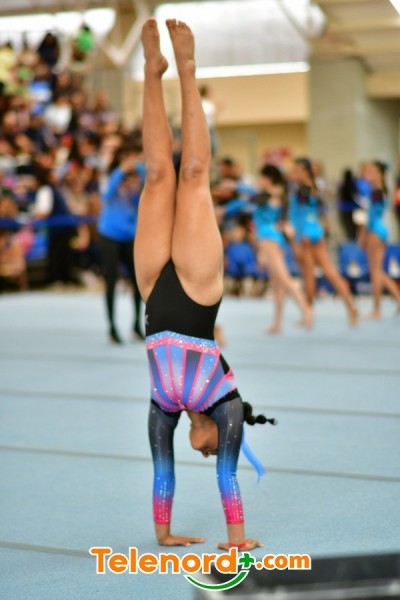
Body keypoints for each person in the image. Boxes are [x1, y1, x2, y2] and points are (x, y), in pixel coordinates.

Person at [135, 18, 273, 550]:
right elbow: (228, 476)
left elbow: (161, 469)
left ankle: (153, 71)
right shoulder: (226, 404)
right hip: (195, 289)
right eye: (216, 447)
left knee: (156, 174)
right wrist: (237, 539)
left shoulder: (164, 408)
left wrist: (163, 534)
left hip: (153, 288)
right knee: (192, 175)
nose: (211, 452)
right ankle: (188, 69)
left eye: (212, 449)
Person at [290, 158, 358, 325]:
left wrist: (300, 236)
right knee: (328, 272)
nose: (294, 173)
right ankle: (350, 306)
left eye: (297, 171)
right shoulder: (311, 187)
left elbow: (302, 215)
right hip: (314, 231)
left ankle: (309, 314)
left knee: (310, 275)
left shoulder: (304, 189)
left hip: (306, 233)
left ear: (306, 172)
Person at [252, 164, 312, 333]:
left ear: (268, 178)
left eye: (261, 177)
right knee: (277, 283)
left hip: (268, 237)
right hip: (273, 237)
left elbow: (261, 205)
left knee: (284, 279)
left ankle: (306, 309)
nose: (258, 181)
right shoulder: (275, 194)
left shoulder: (269, 194)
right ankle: (277, 323)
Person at [98, 149, 144, 343]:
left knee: (138, 282)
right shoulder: (110, 177)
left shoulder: (137, 180)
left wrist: (139, 170)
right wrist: (121, 171)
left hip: (129, 235)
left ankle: (137, 324)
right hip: (109, 234)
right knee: (111, 281)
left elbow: (143, 198)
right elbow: (106, 195)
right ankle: (112, 327)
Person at [361, 161, 400, 318]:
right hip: (380, 230)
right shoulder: (379, 190)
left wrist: (364, 235)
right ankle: (397, 297)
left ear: (379, 174)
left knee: (375, 272)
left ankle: (376, 309)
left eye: (371, 172)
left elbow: (371, 216)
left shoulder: (376, 191)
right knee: (378, 271)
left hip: (375, 231)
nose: (367, 174)